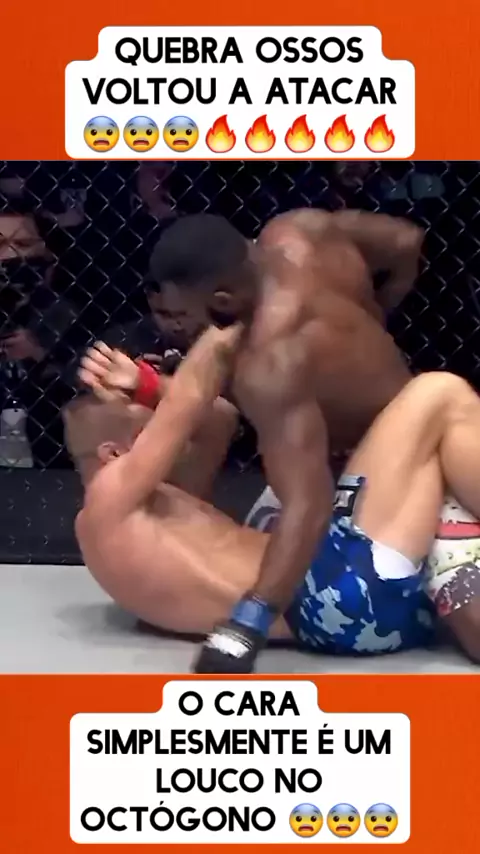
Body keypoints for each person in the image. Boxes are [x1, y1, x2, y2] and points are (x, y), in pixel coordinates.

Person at [67, 336, 480, 668]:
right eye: (146, 425)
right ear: (113, 453)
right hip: (331, 592)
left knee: (408, 461)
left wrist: (146, 387)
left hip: (343, 609)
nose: (161, 427)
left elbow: (219, 418)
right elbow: (187, 402)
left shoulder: (153, 507)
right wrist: (229, 321)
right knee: (438, 394)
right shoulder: (106, 508)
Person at [147, 209, 424, 670]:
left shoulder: (270, 363)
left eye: (186, 315)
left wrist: (246, 625)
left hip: (394, 465)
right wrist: (379, 314)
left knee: (308, 575)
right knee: (253, 541)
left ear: (222, 299)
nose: (183, 328)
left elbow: (308, 503)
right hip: (389, 414)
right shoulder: (300, 230)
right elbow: (407, 241)